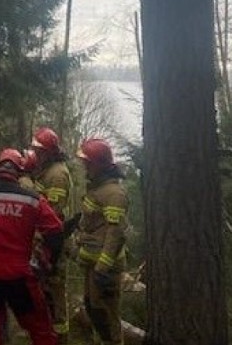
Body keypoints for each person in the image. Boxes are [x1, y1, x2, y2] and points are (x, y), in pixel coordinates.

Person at [0, 148, 64, 345]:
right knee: (41, 331)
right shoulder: (32, 200)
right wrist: (49, 261)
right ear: (20, 171)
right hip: (20, 278)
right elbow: (55, 230)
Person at [76, 138, 127, 345]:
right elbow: (92, 223)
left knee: (108, 318)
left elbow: (115, 234)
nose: (85, 167)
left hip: (104, 269)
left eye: (88, 163)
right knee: (94, 310)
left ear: (98, 165)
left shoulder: (114, 193)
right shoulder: (96, 189)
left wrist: (102, 268)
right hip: (92, 265)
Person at [27, 127, 74, 342]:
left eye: (39, 150)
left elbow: (53, 213)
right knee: (44, 290)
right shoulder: (46, 171)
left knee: (54, 290)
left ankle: (59, 336)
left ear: (49, 152)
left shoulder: (57, 175)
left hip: (54, 241)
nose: (36, 154)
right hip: (45, 240)